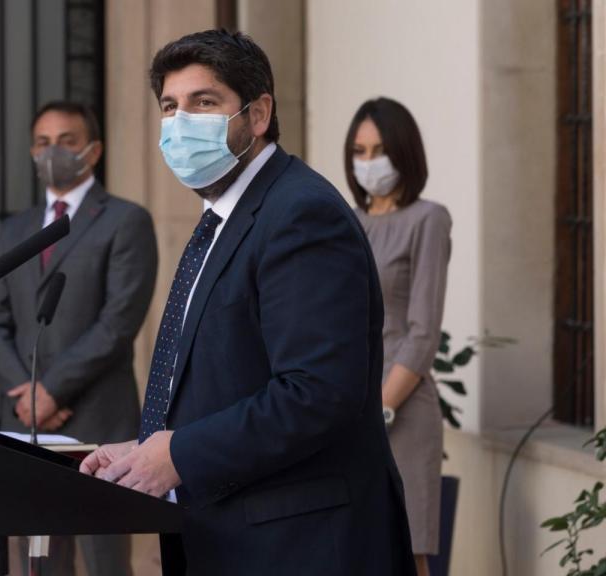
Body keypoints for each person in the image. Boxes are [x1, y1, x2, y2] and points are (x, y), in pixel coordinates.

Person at [79, 29, 416, 575]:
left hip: (300, 546)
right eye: (170, 106)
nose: (180, 123)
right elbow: (227, 376)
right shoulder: (228, 216)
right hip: (233, 537)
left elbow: (317, 393)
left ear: (258, 116)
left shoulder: (301, 215)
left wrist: (180, 454)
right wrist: (147, 450)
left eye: (203, 103)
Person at [0, 101, 158, 575]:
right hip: (26, 423)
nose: (52, 151)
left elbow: (119, 321)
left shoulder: (125, 220)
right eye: (42, 143)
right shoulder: (15, 229)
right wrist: (26, 393)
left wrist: (51, 391)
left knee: (104, 559)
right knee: (39, 558)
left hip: (98, 417)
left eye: (67, 141)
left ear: (93, 151)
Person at [346, 97, 451, 576]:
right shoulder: (346, 221)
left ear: (405, 152)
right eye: (360, 151)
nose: (369, 163)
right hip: (343, 411)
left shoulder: (428, 219)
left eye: (380, 150)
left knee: (408, 553)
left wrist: (379, 407)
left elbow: (424, 332)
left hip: (401, 413)